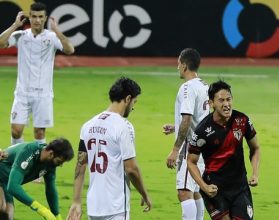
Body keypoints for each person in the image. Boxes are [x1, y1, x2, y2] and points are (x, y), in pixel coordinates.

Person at [67, 77, 152, 220]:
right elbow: (131, 169)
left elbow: (80, 165)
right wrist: (145, 194)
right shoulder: (124, 126)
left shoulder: (87, 126)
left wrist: (76, 201)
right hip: (116, 206)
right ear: (128, 98)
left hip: (94, 206)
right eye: (134, 102)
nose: (133, 107)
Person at [0, 2, 75, 145]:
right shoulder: (20, 35)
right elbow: (1, 43)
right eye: (34, 16)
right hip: (22, 93)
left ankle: (38, 165)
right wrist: (15, 25)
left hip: (43, 94)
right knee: (16, 130)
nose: (37, 20)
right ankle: (18, 161)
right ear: (29, 17)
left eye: (40, 17)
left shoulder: (52, 37)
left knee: (39, 133)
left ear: (45, 18)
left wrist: (58, 31)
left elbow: (70, 50)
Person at [187, 80, 260, 220]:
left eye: (229, 99)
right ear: (211, 103)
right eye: (221, 100)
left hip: (240, 188)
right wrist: (204, 186)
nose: (226, 104)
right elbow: (191, 162)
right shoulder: (202, 130)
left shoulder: (242, 120)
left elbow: (255, 148)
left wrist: (255, 173)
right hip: (215, 189)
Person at [163, 48, 209, 220]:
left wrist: (175, 150)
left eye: (178, 63)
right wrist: (176, 126)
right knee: (196, 190)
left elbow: (188, 119)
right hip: (203, 146)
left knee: (184, 191)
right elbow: (202, 118)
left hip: (189, 148)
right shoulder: (205, 86)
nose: (177, 67)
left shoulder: (187, 88)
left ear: (184, 66)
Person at [0, 138, 74, 220]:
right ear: (51, 153)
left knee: (8, 215)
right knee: (2, 209)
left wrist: (57, 215)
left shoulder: (50, 163)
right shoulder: (28, 152)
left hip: (5, 181)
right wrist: (40, 209)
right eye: (59, 161)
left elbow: (51, 189)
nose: (60, 165)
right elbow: (13, 187)